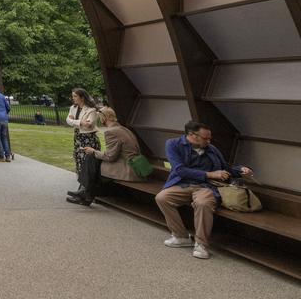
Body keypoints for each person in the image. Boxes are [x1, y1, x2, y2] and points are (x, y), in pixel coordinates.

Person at [154, 121, 254, 260]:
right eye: (205, 138)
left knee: (203, 203)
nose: (209, 141)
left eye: (209, 138)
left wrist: (241, 170)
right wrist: (209, 174)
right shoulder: (173, 144)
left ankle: (201, 244)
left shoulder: (211, 148)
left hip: (207, 186)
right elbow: (179, 170)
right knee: (162, 198)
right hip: (183, 183)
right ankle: (181, 236)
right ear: (191, 135)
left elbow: (226, 168)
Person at [67, 107, 141, 205]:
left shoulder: (111, 132)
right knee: (93, 159)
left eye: (99, 118)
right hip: (132, 165)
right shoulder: (123, 129)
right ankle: (84, 194)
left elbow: (110, 157)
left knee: (91, 158)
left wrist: (93, 151)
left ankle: (85, 193)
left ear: (104, 118)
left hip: (127, 169)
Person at [65, 88, 99, 176]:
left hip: (88, 138)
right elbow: (68, 120)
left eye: (75, 96)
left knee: (88, 159)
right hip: (77, 136)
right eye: (73, 96)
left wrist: (74, 121)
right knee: (78, 157)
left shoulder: (91, 109)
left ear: (82, 97)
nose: (73, 98)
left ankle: (89, 181)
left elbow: (88, 124)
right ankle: (81, 179)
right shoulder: (73, 108)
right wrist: (80, 122)